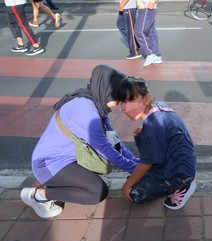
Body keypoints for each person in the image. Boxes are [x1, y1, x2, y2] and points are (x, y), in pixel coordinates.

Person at [20, 65, 140, 219]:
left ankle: (58, 182)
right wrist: (136, 171)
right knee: (97, 192)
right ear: (108, 94)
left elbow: (113, 141)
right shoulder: (86, 113)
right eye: (118, 99)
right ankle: (38, 196)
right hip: (49, 164)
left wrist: (138, 163)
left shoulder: (94, 102)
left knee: (98, 171)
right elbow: (107, 150)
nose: (119, 104)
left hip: (69, 158)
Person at [120, 76, 196, 210]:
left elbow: (145, 163)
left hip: (180, 172)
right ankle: (157, 177)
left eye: (131, 100)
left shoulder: (153, 126)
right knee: (140, 136)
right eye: (122, 101)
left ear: (147, 98)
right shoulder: (159, 106)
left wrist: (128, 185)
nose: (125, 108)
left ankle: (184, 185)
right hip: (175, 160)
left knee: (134, 194)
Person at [134, 0, 162, 66]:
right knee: (151, 32)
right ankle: (156, 55)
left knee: (139, 32)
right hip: (144, 7)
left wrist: (152, 1)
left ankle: (150, 53)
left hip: (146, 6)